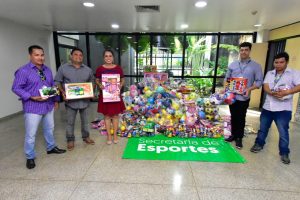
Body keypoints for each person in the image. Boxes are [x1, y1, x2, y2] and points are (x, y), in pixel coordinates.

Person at [12, 45, 66, 169]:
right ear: (30, 55)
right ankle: (30, 156)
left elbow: (52, 85)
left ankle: (51, 147)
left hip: (48, 105)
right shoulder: (23, 71)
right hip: (33, 107)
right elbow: (16, 87)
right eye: (36, 55)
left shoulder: (47, 70)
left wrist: (56, 100)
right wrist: (31, 96)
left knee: (49, 129)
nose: (40, 57)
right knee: (31, 134)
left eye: (42, 55)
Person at [250, 52, 300, 164]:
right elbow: (266, 86)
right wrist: (272, 93)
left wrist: (287, 92)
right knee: (263, 128)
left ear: (286, 62)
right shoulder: (270, 73)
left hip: (283, 108)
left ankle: (284, 152)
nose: (278, 64)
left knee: (283, 132)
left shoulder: (293, 73)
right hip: (268, 107)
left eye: (281, 62)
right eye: (276, 62)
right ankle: (259, 144)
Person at [54, 47, 95, 151]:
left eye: (81, 55)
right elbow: (57, 82)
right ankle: (70, 140)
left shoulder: (88, 70)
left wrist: (91, 91)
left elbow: (92, 82)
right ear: (71, 56)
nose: (78, 57)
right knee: (70, 122)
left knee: (85, 121)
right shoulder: (63, 68)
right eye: (76, 54)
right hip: (70, 102)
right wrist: (62, 93)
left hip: (84, 101)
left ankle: (86, 137)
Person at [224, 42, 263, 148]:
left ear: (249, 51)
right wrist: (226, 90)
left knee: (241, 117)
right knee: (233, 116)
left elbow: (259, 82)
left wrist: (249, 89)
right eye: (241, 50)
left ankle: (239, 138)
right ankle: (232, 135)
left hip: (244, 97)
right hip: (232, 97)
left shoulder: (256, 66)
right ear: (239, 51)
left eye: (246, 50)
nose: (243, 52)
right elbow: (227, 79)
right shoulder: (233, 64)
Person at [95, 49, 125, 145]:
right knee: (107, 116)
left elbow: (122, 79)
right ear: (103, 58)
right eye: (106, 56)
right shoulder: (100, 69)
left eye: (110, 56)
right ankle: (108, 135)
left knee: (115, 115)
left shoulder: (118, 68)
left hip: (115, 95)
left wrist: (120, 85)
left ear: (113, 57)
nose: (108, 58)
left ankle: (115, 134)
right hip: (105, 95)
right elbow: (97, 79)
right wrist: (99, 85)